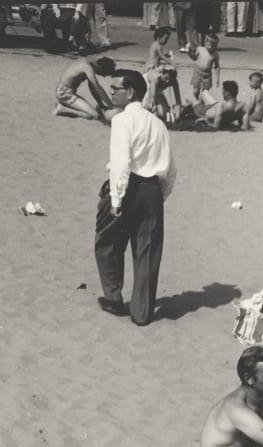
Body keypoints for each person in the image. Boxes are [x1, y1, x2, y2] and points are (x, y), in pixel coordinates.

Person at [95, 69, 174, 327]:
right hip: (152, 190)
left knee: (107, 241)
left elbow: (121, 162)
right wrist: (160, 195)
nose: (111, 93)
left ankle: (113, 297)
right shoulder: (159, 124)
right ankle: (142, 312)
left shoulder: (122, 121)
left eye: (115, 88)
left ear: (130, 93)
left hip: (127, 186)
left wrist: (116, 199)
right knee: (147, 251)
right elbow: (170, 170)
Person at [54, 53, 114, 121]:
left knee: (94, 112)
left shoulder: (87, 61)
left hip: (64, 91)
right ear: (99, 67)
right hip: (64, 94)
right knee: (94, 115)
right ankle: (62, 109)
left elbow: (93, 89)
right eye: (102, 73)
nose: (103, 76)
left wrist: (101, 105)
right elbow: (98, 89)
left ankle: (66, 104)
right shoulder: (87, 67)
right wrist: (111, 106)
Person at [143, 26, 182, 118]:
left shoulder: (156, 45)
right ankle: (150, 104)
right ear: (158, 37)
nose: (166, 41)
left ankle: (158, 105)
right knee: (155, 78)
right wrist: (172, 62)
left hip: (154, 66)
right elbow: (161, 56)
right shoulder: (157, 45)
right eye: (165, 38)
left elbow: (159, 56)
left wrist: (166, 54)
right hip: (151, 67)